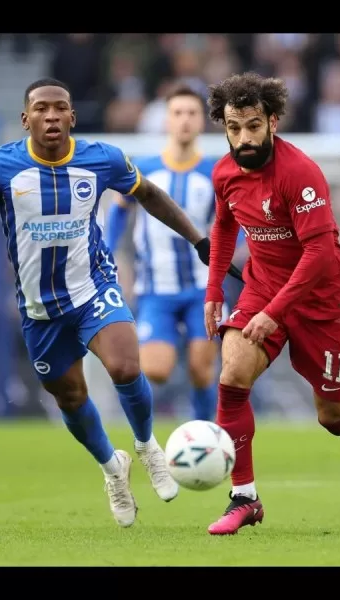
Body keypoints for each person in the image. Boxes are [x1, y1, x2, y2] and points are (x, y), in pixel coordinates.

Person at [0, 78, 224, 528]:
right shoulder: (1, 167)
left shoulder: (101, 159)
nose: (52, 116)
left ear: (73, 117)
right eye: (41, 109)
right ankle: (112, 468)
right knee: (71, 395)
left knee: (125, 366)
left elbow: (150, 196)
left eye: (61, 108)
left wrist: (198, 239)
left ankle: (147, 447)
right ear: (26, 119)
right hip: (40, 308)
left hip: (93, 289)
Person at [203, 72, 340, 536]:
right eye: (234, 128)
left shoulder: (299, 173)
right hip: (263, 288)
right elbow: (224, 228)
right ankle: (244, 497)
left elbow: (317, 254)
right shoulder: (225, 173)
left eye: (253, 126)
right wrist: (214, 289)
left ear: (272, 121)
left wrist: (275, 313)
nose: (244, 138)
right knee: (231, 375)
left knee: (333, 415)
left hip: (321, 299)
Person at [106, 83, 221, 421]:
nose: (184, 120)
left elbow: (236, 222)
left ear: (202, 121)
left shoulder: (214, 173)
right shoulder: (143, 169)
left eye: (191, 113)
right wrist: (109, 254)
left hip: (203, 287)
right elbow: (118, 210)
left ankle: (206, 433)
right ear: (167, 121)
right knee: (156, 370)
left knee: (202, 370)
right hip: (155, 287)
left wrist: (238, 250)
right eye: (177, 113)